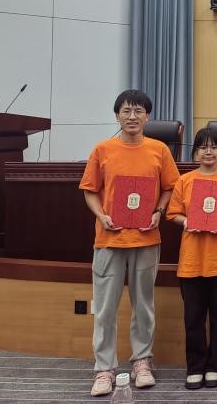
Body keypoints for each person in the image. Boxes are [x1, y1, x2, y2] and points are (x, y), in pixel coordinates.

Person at [79, 89, 179, 397]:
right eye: (126, 111)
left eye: (138, 111)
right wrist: (102, 216)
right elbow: (90, 190)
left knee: (143, 306)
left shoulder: (159, 150)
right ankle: (104, 368)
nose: (132, 116)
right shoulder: (103, 150)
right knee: (105, 309)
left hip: (146, 238)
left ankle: (142, 362)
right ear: (117, 115)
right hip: (109, 239)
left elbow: (170, 187)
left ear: (147, 116)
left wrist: (159, 211)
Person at [166, 128, 217, 390]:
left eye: (214, 147)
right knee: (193, 318)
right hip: (191, 260)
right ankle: (195, 367)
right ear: (195, 153)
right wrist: (187, 221)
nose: (209, 152)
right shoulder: (185, 180)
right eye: (203, 147)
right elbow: (173, 213)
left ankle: (215, 366)